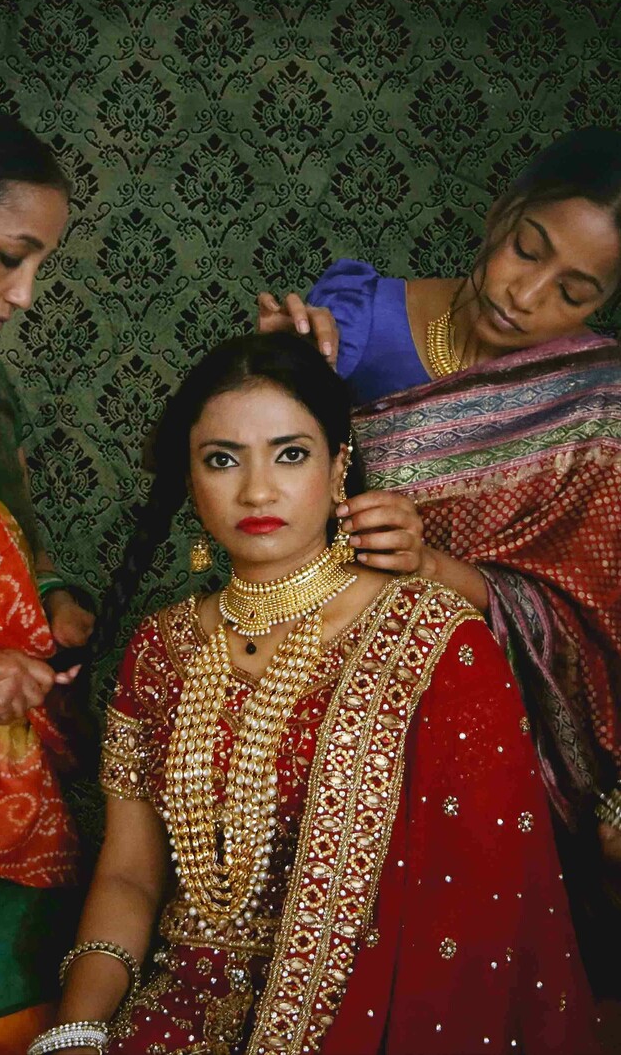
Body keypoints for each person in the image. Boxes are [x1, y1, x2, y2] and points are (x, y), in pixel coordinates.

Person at [34, 333, 601, 1055]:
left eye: (290, 454)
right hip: (169, 1013)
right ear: (191, 480)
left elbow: (479, 908)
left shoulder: (431, 638)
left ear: (338, 467)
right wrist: (77, 1030)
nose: (257, 490)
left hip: (363, 1020)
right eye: (222, 459)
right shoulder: (160, 649)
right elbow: (128, 877)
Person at [257, 128, 621, 985]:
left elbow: (593, 610)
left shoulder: (599, 399)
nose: (525, 295)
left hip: (496, 712)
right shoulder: (353, 319)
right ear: (502, 213)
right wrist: (275, 374)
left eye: (574, 292)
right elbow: (263, 495)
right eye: (526, 250)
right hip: (333, 674)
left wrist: (435, 568)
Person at [0, 102, 94, 1054]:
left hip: (2, 773)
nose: (25, 294)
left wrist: (53, 597)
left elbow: (10, 541)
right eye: (10, 256)